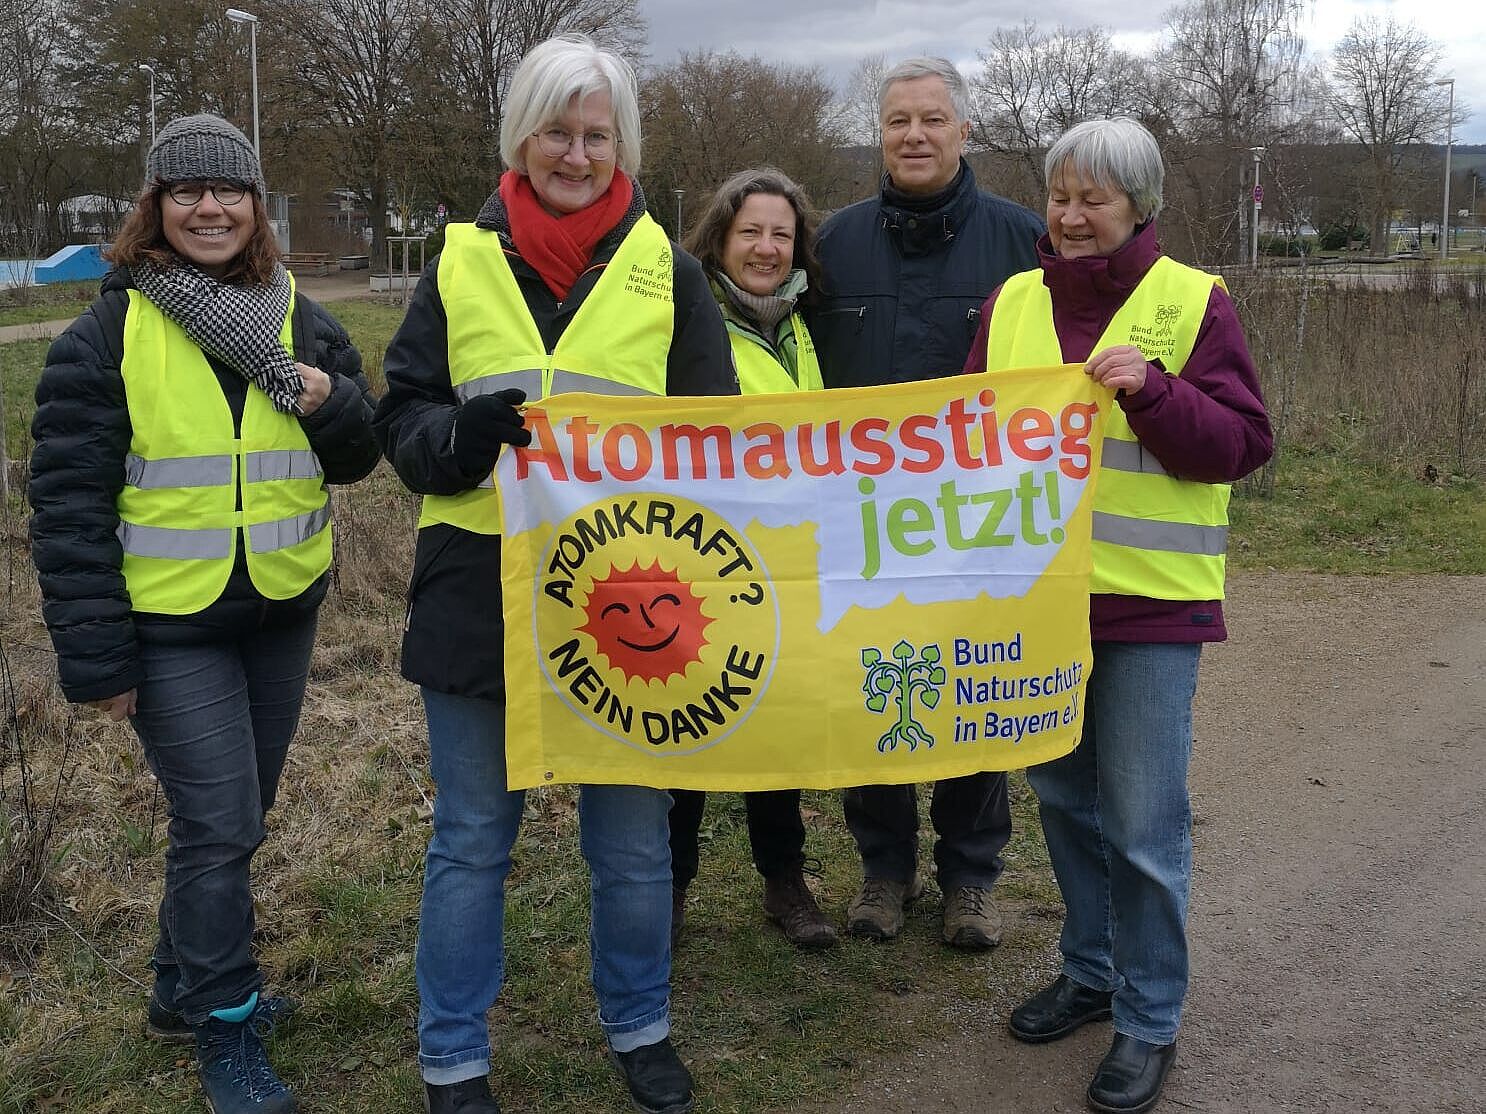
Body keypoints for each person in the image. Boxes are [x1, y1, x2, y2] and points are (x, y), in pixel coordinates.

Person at [372, 34, 735, 1114]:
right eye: (556, 132)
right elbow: (400, 420)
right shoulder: (457, 263)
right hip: (475, 594)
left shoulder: (666, 269)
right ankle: (452, 1056)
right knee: (473, 837)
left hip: (629, 603)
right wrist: (458, 439)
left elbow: (723, 440)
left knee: (628, 839)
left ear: (619, 144)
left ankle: (640, 1025)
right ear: (519, 137)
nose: (575, 154)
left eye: (596, 135)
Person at [28, 113, 379, 1114]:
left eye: (228, 191)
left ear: (256, 206)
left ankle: (177, 988)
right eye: (186, 191)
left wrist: (332, 404)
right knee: (220, 824)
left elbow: (360, 455)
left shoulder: (301, 320)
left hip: (280, 610)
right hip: (168, 628)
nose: (210, 207)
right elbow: (68, 512)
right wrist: (96, 661)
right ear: (156, 206)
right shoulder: (105, 336)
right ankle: (225, 1026)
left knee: (230, 824)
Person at [965, 117, 1273, 1114]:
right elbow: (957, 442)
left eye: (1092, 197)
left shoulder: (1192, 302)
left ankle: (1148, 1016)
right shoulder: (1012, 299)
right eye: (1059, 194)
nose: (1070, 213)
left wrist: (1154, 394)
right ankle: (1089, 970)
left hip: (1149, 607)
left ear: (1139, 205)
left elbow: (1239, 444)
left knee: (1141, 821)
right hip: (1038, 604)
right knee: (1060, 801)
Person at [810, 57, 1044, 949]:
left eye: (932, 120)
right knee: (875, 684)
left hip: (979, 521)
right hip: (858, 518)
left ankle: (971, 877)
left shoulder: (1023, 242)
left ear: (964, 132)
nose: (914, 135)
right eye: (898, 120)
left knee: (970, 688)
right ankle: (882, 868)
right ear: (880, 133)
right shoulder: (834, 244)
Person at [669, 167, 832, 950]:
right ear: (720, 239)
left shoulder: (800, 326)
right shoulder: (684, 315)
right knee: (692, 729)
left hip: (787, 560)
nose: (767, 248)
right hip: (704, 562)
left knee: (777, 726)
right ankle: (670, 888)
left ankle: (784, 880)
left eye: (781, 233)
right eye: (750, 233)